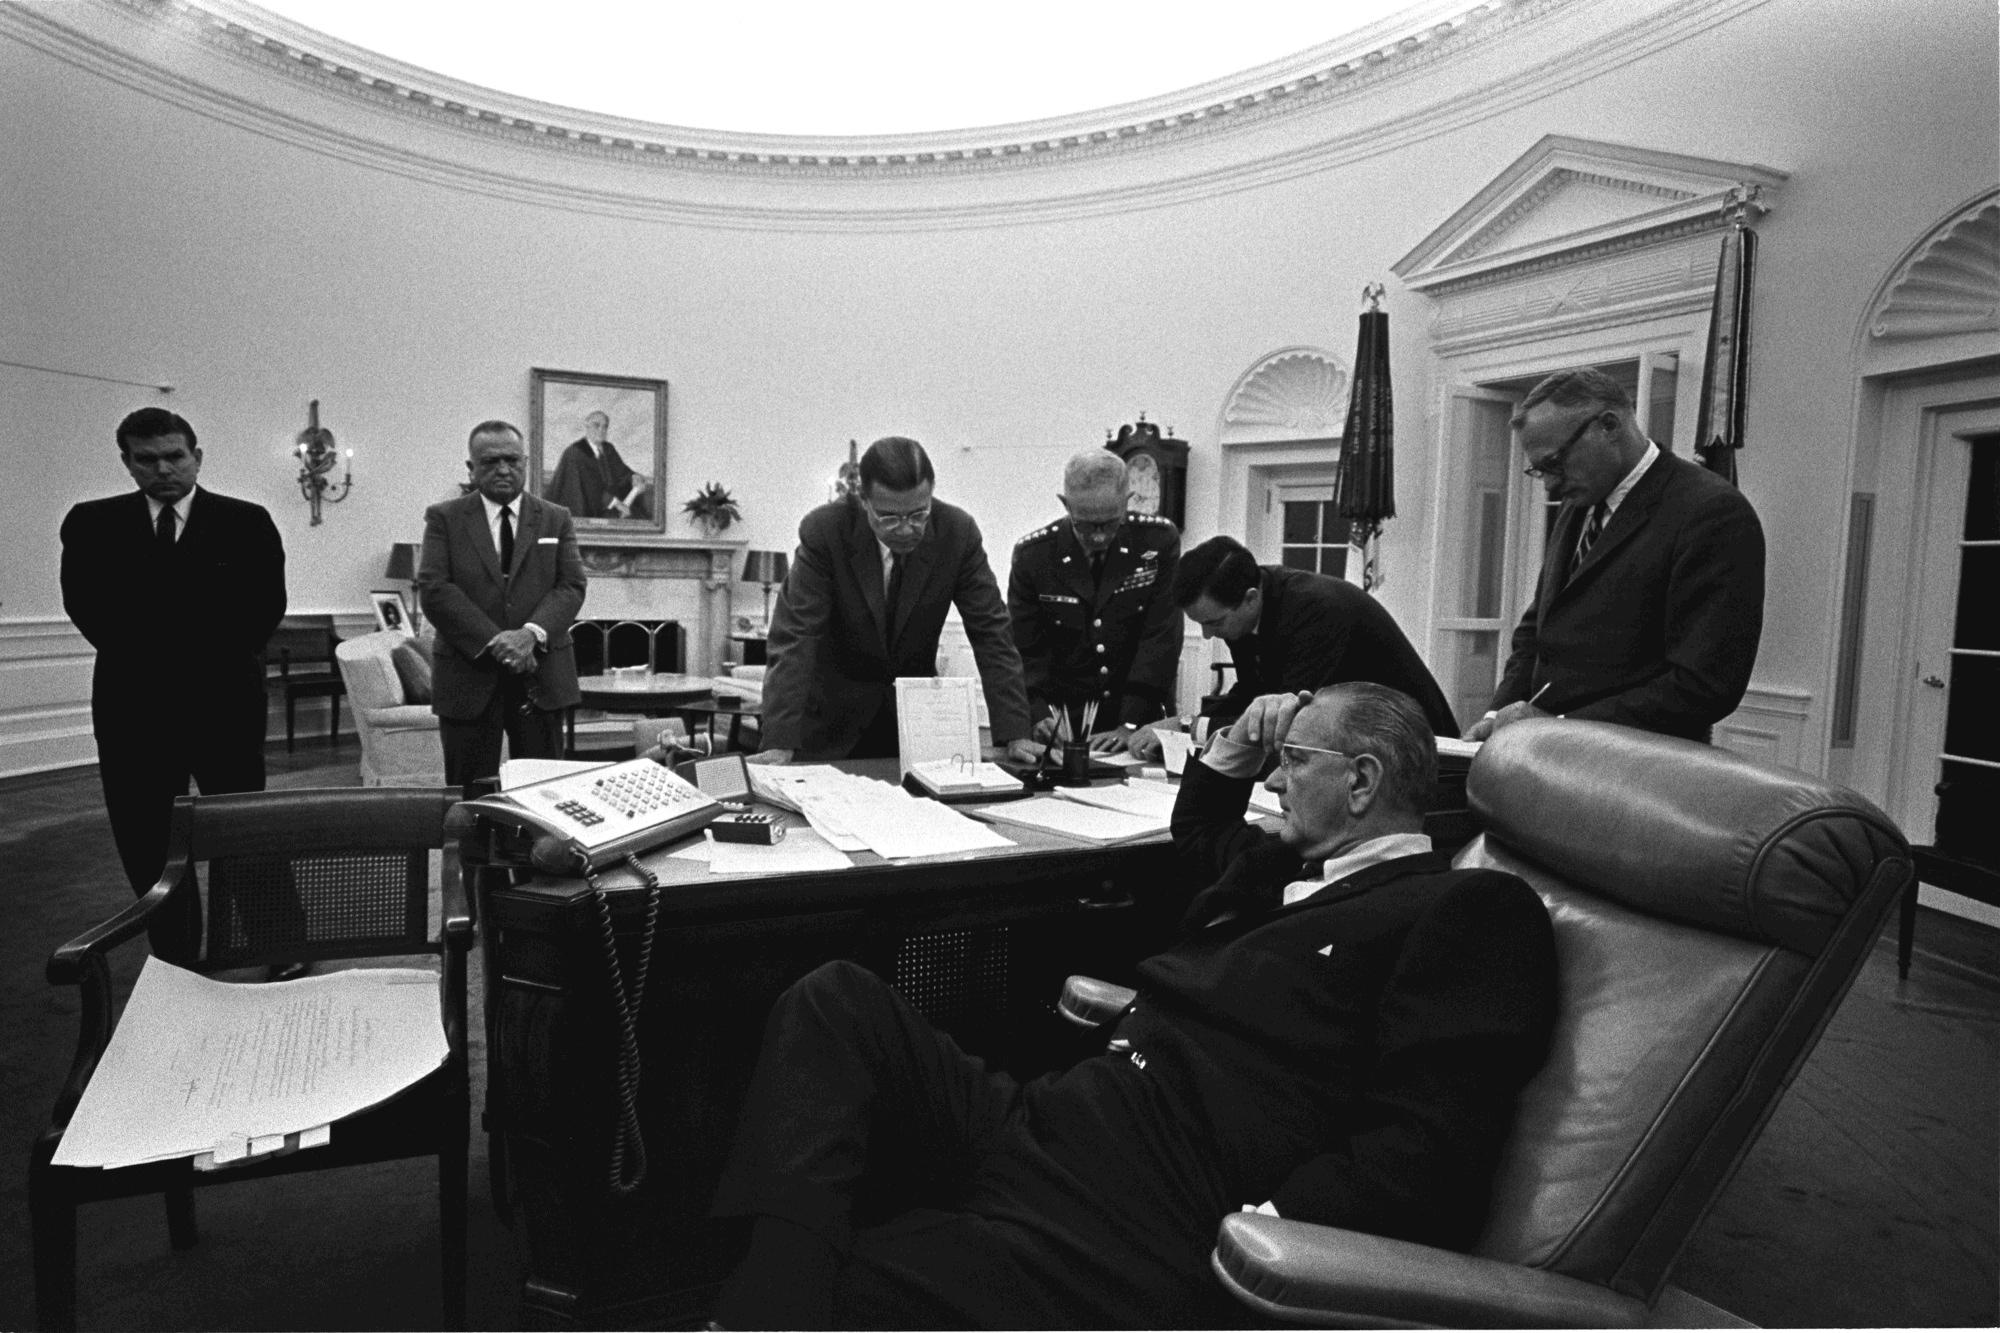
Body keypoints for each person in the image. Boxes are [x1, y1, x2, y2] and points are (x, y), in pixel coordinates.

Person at [707, 681, 1557, 1329]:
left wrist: (1266, 1232)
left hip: (1146, 1207)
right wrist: (1226, 754)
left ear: (1363, 781)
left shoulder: (1464, 909)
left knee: (856, 1281)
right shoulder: (1281, 872)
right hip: (1053, 1119)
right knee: (836, 1000)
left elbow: (1429, 1147)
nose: (1278, 776)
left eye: (1296, 760)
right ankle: (770, 1301)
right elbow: (1199, 838)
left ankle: (766, 1302)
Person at [60, 407, 287, 960]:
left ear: (196, 457)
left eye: (174, 456)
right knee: (147, 845)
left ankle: (275, 946)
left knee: (244, 835)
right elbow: (90, 610)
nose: (163, 469)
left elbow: (263, 610)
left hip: (224, 705)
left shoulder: (246, 521)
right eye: (147, 459)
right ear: (128, 464)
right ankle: (176, 959)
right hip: (133, 709)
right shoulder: (92, 523)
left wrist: (182, 648)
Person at [1466, 367, 1765, 743]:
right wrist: (1497, 714)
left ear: (1608, 426)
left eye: (1555, 463)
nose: (1551, 485)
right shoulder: (1581, 502)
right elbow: (1538, 632)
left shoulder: (1711, 513)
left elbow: (1703, 685)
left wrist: (1557, 729)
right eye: (1539, 470)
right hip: (1549, 761)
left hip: (1637, 774)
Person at [754, 436, 1032, 764]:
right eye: (888, 517)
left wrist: (1015, 732)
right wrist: (779, 738)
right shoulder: (826, 531)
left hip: (914, 732)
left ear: (931, 494)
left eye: (918, 515)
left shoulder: (957, 533)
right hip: (829, 729)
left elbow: (992, 634)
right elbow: (795, 637)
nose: (905, 529)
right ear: (864, 500)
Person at [1130, 536, 1456, 758]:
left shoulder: (1317, 610)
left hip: (1420, 751)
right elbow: (1254, 695)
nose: (1206, 635)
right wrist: (1179, 726)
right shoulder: (1245, 611)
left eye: (1214, 623)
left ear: (1250, 599)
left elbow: (1289, 720)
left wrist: (1189, 728)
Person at [417, 420, 587, 787]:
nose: (503, 469)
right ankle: (474, 849)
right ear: (471, 467)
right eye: (491, 461)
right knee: (470, 796)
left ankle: (534, 849)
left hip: (541, 675)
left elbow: (571, 585)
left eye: (512, 460)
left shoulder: (556, 518)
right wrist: (499, 644)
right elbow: (434, 588)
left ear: (525, 462)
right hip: (469, 675)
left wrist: (529, 634)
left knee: (544, 794)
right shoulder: (444, 518)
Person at [1008, 451, 1182, 755]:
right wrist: (1039, 714)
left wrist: (1130, 723)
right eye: (1086, 525)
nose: (1099, 536)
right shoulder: (1035, 556)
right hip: (1065, 726)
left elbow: (1160, 638)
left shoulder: (1157, 541)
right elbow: (1026, 648)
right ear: (1065, 504)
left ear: (1128, 500)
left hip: (1141, 722)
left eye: (1110, 523)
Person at [545, 409, 650, 520]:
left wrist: (634, 477)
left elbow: (622, 472)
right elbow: (589, 489)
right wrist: (615, 503)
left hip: (611, 507)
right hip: (585, 511)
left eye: (605, 427)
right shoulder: (575, 453)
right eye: (597, 425)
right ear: (587, 427)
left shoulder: (608, 449)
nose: (601, 430)